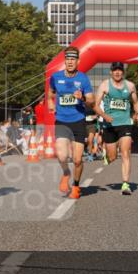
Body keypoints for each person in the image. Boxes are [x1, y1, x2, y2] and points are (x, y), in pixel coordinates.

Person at [47, 46, 93, 199]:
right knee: (62, 156)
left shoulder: (83, 79)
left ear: (78, 61)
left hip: (78, 121)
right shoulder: (56, 77)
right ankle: (66, 173)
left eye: (73, 59)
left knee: (77, 160)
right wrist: (50, 102)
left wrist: (82, 98)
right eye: (68, 59)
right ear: (65, 61)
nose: (70, 62)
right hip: (61, 120)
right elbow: (50, 92)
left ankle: (76, 185)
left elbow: (91, 100)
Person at [95, 62, 138, 194]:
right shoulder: (105, 85)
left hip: (125, 123)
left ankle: (125, 184)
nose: (117, 72)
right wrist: (105, 116)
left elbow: (136, 102)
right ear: (111, 72)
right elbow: (96, 105)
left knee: (126, 153)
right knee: (113, 157)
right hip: (109, 125)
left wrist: (137, 114)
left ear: (123, 72)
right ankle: (107, 156)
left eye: (120, 70)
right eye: (115, 70)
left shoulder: (130, 86)